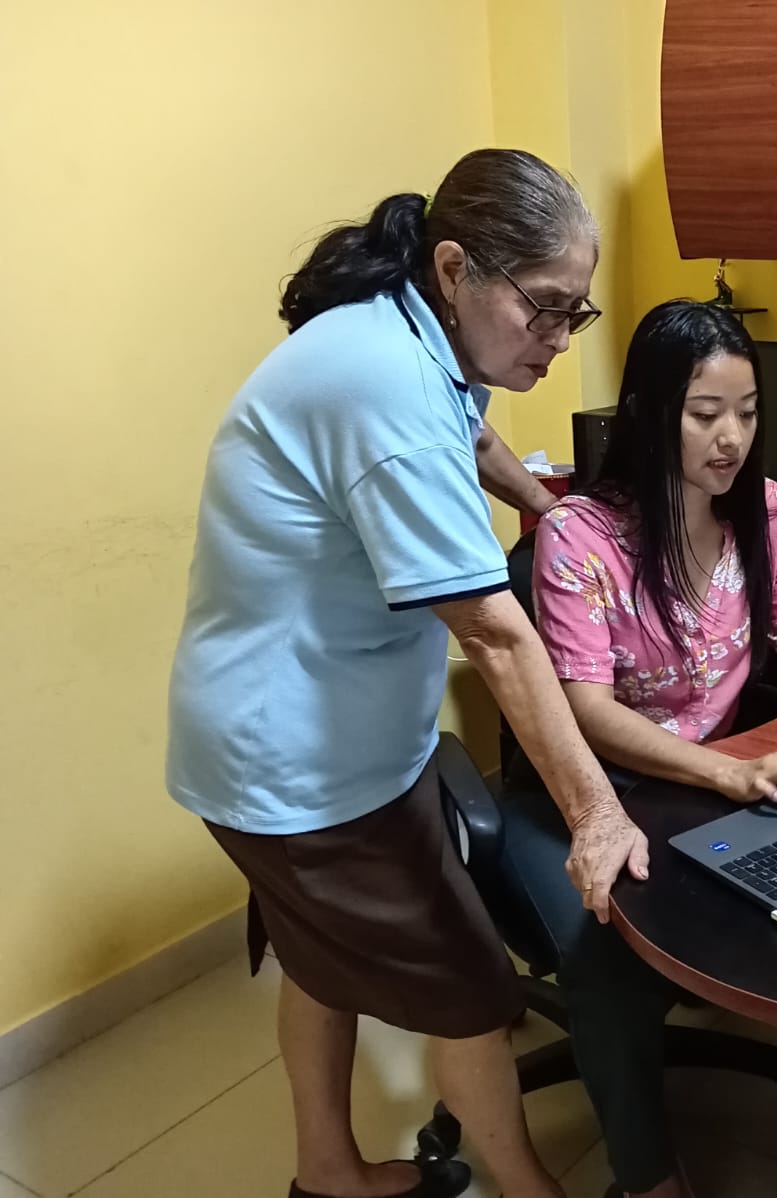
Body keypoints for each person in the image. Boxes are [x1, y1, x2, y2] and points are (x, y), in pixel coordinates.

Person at [166, 149, 649, 1198]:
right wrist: (597, 814)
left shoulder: (406, 335)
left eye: (578, 313)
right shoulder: (381, 382)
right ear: (455, 268)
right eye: (545, 309)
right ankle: (529, 1189)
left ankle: (328, 1173)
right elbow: (496, 634)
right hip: (297, 767)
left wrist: (550, 508)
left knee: (318, 961)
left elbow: (467, 434)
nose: (560, 339)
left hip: (312, 735)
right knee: (472, 992)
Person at [518, 301, 777, 1198]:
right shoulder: (579, 537)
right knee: (604, 958)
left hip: (717, 775)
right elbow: (585, 712)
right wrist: (731, 771)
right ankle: (647, 1174)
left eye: (748, 412)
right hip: (601, 787)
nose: (732, 438)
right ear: (649, 413)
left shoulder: (763, 510)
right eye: (705, 414)